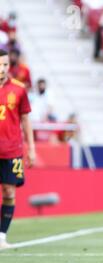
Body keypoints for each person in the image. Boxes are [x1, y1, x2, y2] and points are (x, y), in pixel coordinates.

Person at [0, 49, 35, 248]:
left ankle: (1, 236)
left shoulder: (19, 89)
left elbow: (25, 119)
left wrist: (31, 148)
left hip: (12, 151)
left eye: (5, 64)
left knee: (9, 192)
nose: (3, 68)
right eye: (0, 64)